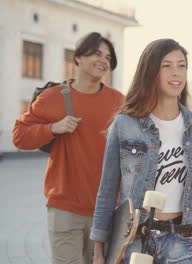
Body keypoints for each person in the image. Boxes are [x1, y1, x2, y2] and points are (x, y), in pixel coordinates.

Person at [90, 39, 192, 264]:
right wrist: (98, 250)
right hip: (134, 237)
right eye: (167, 66)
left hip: (183, 240)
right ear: (151, 71)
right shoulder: (125, 125)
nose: (176, 73)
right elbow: (107, 191)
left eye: (181, 65)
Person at [12, 32, 123, 264]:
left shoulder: (118, 102)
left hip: (105, 210)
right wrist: (53, 128)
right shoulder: (52, 97)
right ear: (79, 57)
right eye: (96, 53)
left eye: (108, 57)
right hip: (64, 209)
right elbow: (19, 137)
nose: (103, 60)